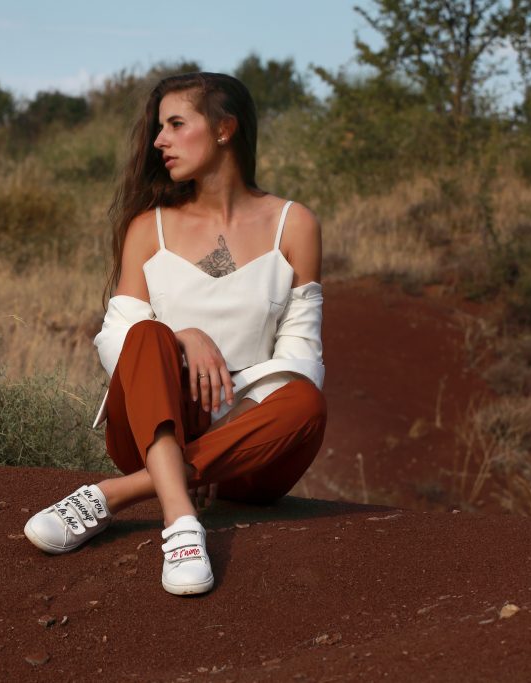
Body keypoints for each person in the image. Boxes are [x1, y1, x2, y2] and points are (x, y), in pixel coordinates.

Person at [24, 72, 327, 596]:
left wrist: (232, 418)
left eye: (176, 124)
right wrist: (183, 336)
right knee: (146, 337)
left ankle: (119, 495)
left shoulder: (292, 224)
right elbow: (115, 337)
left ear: (225, 128)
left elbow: (302, 353)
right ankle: (183, 525)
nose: (159, 139)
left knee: (307, 400)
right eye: (159, 127)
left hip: (248, 448)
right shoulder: (149, 227)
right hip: (153, 427)